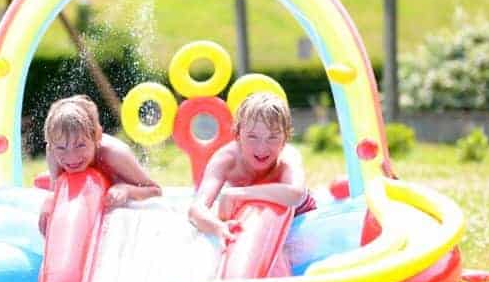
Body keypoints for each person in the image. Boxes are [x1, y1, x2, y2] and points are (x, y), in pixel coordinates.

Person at [187, 92, 315, 248]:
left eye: (273, 137)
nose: (262, 148)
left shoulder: (288, 156)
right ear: (237, 135)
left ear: (285, 138)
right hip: (253, 221)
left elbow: (296, 194)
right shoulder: (227, 160)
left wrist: (239, 194)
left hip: (298, 217)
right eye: (252, 137)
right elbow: (196, 210)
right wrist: (218, 227)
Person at [38, 95, 162, 235]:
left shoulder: (114, 154)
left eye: (80, 145)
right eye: (61, 148)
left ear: (97, 137)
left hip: (114, 185)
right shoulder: (52, 151)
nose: (71, 157)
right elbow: (55, 189)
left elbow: (155, 190)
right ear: (51, 144)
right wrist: (50, 201)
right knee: (38, 181)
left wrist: (126, 190)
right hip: (87, 189)